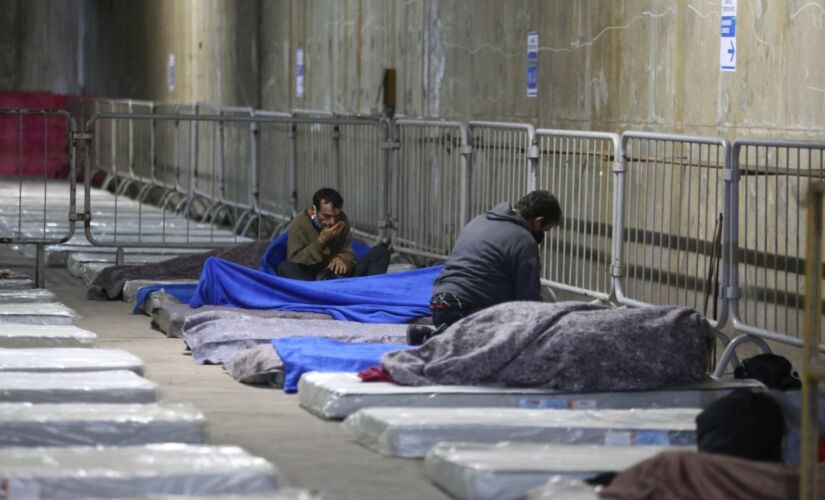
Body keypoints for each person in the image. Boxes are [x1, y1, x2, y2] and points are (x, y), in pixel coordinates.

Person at [407, 190, 562, 345]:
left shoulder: (479, 221)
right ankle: (440, 338)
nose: (543, 235)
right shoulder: (525, 241)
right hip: (468, 309)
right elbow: (529, 303)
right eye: (545, 229)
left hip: (439, 303)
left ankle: (439, 336)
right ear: (538, 222)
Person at [277, 187, 390, 281]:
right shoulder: (300, 223)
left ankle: (365, 291)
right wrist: (320, 242)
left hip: (338, 276)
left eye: (335, 216)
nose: (332, 222)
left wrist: (341, 259)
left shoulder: (341, 220)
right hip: (312, 278)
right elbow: (295, 259)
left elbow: (348, 252)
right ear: (315, 210)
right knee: (285, 267)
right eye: (326, 216)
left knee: (381, 253)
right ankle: (317, 296)